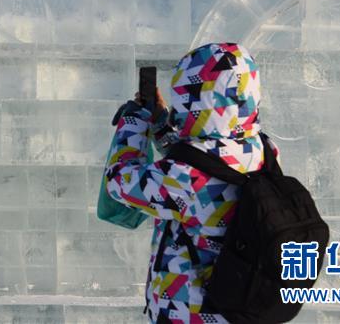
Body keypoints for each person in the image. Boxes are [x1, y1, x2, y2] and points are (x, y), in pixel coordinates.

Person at [104, 43, 279, 323]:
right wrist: (162, 124)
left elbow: (119, 182)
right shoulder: (262, 148)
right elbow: (206, 163)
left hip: (190, 314)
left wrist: (133, 123)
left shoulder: (185, 178)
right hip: (239, 306)